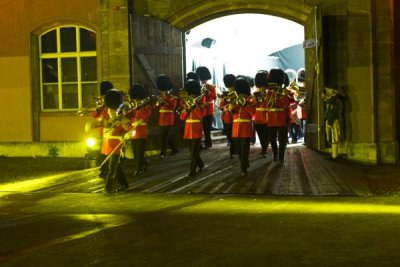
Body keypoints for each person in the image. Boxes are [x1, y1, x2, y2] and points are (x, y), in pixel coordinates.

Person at [101, 89, 130, 193]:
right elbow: (101, 125)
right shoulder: (107, 119)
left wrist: (125, 125)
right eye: (110, 110)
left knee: (112, 167)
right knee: (116, 166)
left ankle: (107, 188)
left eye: (113, 110)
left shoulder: (121, 119)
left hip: (116, 146)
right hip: (107, 145)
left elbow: (128, 128)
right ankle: (124, 184)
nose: (111, 112)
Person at [179, 79, 206, 177]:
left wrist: (194, 107)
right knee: (192, 150)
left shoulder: (201, 103)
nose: (191, 96)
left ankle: (192, 170)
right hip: (188, 129)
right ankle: (201, 164)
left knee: (194, 152)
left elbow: (200, 116)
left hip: (196, 129)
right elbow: (182, 117)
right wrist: (187, 110)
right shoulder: (185, 103)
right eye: (190, 94)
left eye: (192, 94)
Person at [266, 68, 292, 166]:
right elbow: (265, 105)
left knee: (282, 139)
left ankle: (281, 157)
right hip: (271, 118)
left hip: (281, 118)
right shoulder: (268, 93)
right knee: (272, 138)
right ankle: (275, 154)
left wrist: (281, 97)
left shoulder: (284, 92)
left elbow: (287, 104)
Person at [231, 77, 256, 176]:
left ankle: (243, 169)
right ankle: (245, 163)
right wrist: (232, 107)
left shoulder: (250, 98)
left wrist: (245, 104)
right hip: (236, 127)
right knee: (239, 150)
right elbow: (231, 112)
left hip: (245, 127)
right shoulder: (234, 99)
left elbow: (253, 113)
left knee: (245, 149)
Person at [128, 83, 153, 175]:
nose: (136, 100)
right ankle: (145, 162)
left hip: (142, 130)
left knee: (139, 151)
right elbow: (129, 116)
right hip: (133, 130)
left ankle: (139, 169)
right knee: (135, 152)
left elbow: (145, 117)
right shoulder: (133, 105)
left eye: (137, 99)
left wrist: (141, 108)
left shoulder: (146, 107)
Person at [91, 81, 114, 178]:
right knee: (103, 151)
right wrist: (98, 108)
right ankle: (103, 169)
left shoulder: (112, 101)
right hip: (102, 131)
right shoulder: (101, 102)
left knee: (111, 151)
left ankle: (109, 168)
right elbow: (94, 115)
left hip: (111, 130)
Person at [155, 74, 179, 159]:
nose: (163, 92)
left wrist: (164, 100)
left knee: (165, 136)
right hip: (161, 118)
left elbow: (172, 107)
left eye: (164, 90)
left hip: (169, 118)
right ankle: (174, 149)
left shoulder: (173, 97)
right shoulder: (160, 97)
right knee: (166, 135)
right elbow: (156, 107)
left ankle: (163, 152)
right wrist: (158, 102)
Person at [196, 66, 217, 148]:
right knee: (199, 128)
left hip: (208, 110)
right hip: (199, 109)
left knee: (207, 129)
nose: (203, 80)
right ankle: (199, 144)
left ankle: (208, 143)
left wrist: (207, 92)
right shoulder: (197, 86)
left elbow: (214, 97)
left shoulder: (211, 87)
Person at [322, 87, 344, 160]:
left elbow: (332, 112)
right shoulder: (330, 100)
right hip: (331, 120)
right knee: (332, 138)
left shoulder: (332, 101)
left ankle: (335, 156)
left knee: (334, 138)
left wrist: (329, 122)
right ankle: (334, 155)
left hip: (332, 121)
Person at [220, 74, 237, 158]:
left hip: (233, 116)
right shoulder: (226, 93)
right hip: (227, 116)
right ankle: (233, 151)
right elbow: (221, 106)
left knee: (233, 135)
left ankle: (233, 151)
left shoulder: (236, 92)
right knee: (230, 135)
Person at [253, 71, 269, 157]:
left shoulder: (268, 92)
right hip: (258, 115)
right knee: (260, 134)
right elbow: (253, 103)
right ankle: (264, 148)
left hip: (266, 115)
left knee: (265, 135)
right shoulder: (255, 93)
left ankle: (264, 149)